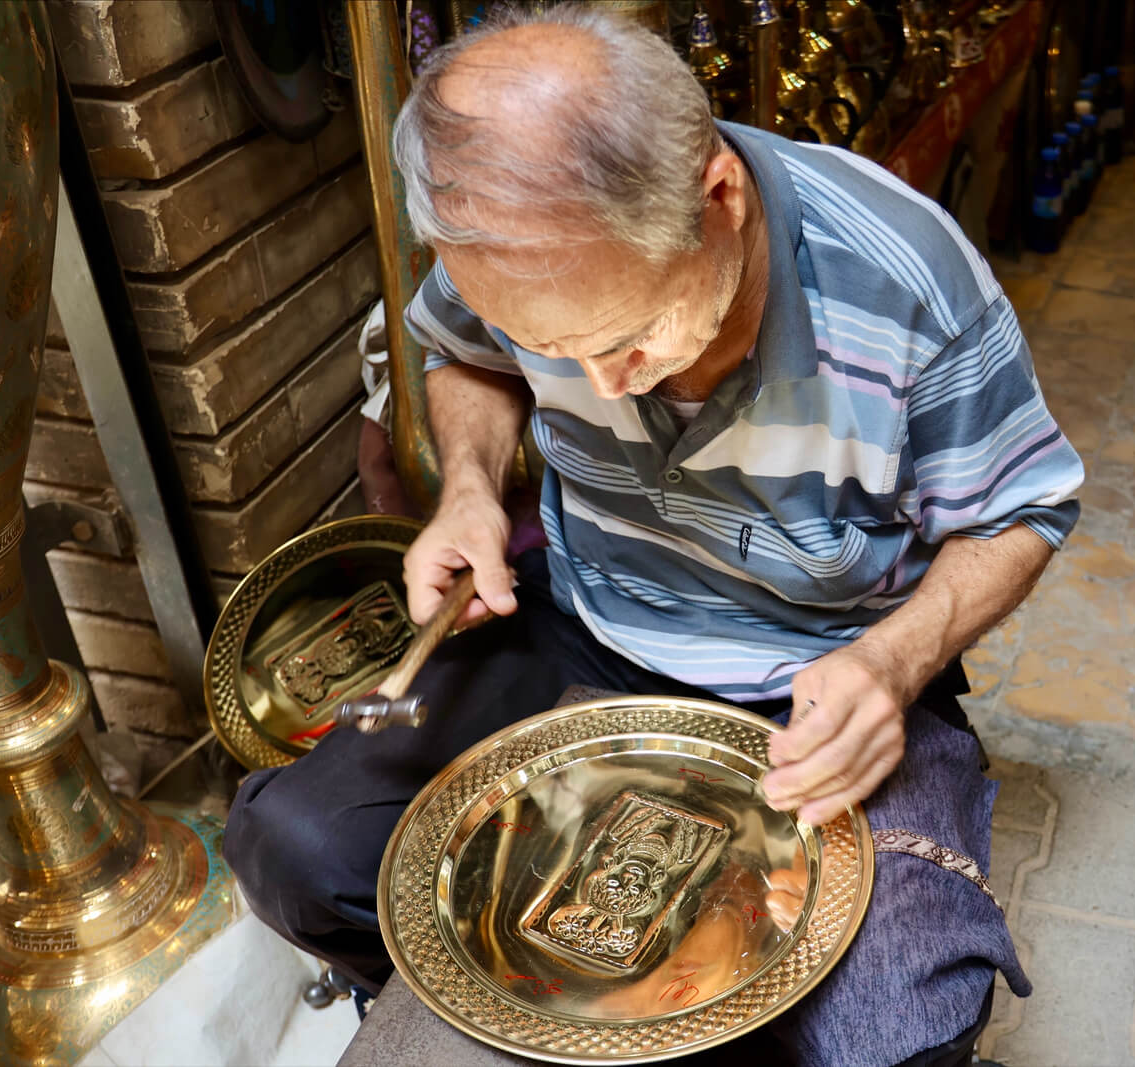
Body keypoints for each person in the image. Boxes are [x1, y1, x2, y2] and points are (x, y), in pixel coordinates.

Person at [225, 6, 1084, 1065]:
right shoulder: (518, 247)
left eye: (629, 338)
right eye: (554, 346)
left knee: (896, 1028)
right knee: (294, 841)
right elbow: (463, 356)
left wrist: (893, 663)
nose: (600, 387)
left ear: (716, 197)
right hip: (588, 625)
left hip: (816, 677)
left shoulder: (904, 281)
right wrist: (469, 491)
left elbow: (1024, 508)